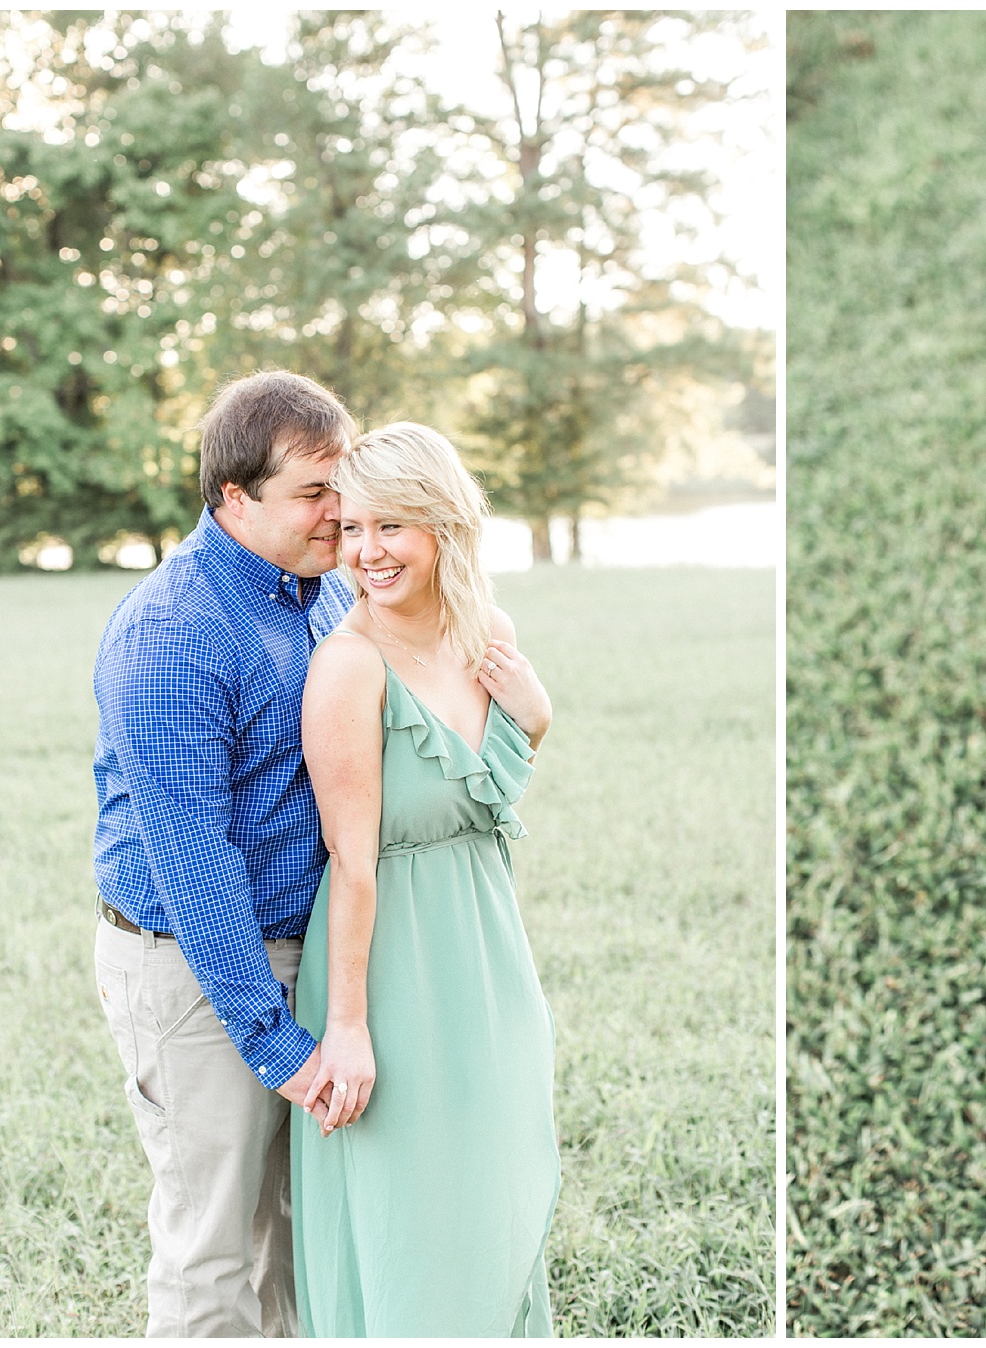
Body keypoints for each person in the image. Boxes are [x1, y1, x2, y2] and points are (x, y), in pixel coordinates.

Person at [92, 370, 357, 1336]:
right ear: (234, 498)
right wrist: (273, 1039)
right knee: (213, 1246)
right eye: (315, 493)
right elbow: (191, 862)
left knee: (297, 1232)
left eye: (345, 484)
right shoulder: (175, 631)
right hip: (195, 966)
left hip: (307, 949)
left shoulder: (318, 595)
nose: (342, 511)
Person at [289, 422, 560, 1337]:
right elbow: (353, 862)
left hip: (486, 951)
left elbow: (482, 796)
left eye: (391, 528)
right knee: (411, 1215)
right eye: (354, 529)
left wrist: (537, 717)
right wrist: (350, 1030)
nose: (366, 552)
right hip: (389, 959)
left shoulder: (490, 632)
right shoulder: (346, 666)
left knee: (497, 1191)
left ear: (443, 525)